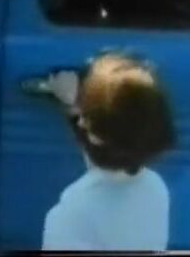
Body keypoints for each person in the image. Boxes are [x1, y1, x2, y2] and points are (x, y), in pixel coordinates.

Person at [42, 53, 176, 251]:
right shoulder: (154, 189)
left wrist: (73, 106)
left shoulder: (71, 214)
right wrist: (74, 108)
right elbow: (112, 147)